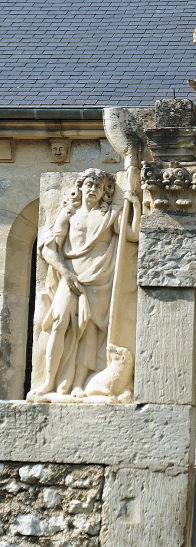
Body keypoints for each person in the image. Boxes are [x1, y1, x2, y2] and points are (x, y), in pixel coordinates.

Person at [29, 169, 141, 398]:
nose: (93, 190)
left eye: (98, 187)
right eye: (89, 185)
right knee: (59, 324)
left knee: (87, 332)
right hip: (70, 277)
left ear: (105, 192)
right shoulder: (68, 214)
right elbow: (49, 250)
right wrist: (65, 274)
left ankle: (77, 384)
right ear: (80, 187)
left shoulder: (110, 214)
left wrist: (135, 207)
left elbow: (131, 235)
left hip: (98, 280)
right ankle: (49, 382)